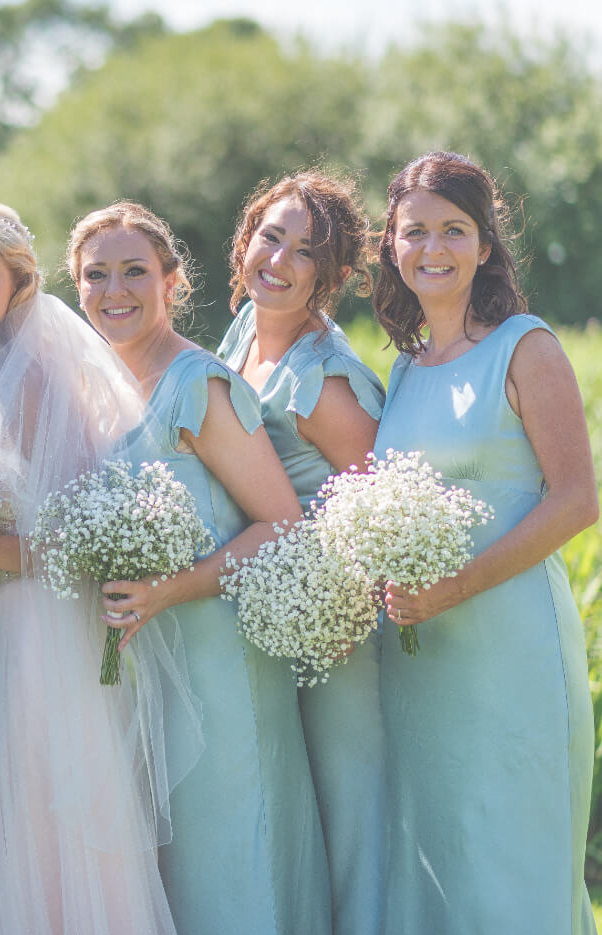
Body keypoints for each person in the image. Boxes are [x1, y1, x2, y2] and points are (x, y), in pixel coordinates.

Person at [0, 204, 200, 935]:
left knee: (46, 830)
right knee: (15, 824)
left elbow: (67, 544)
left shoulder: (30, 379)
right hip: (7, 623)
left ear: (19, 283)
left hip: (41, 631)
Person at [71, 201, 330, 935]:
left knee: (233, 861)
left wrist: (168, 589)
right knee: (164, 877)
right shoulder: (94, 389)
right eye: (96, 275)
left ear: (172, 282)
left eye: (134, 272)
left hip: (219, 663)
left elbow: (283, 522)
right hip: (141, 667)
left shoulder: (200, 384)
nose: (114, 290)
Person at [371, 151, 597, 935]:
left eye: (453, 230)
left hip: (511, 648)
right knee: (440, 855)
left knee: (512, 859)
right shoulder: (404, 369)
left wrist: (456, 588)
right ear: (391, 246)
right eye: (415, 231)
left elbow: (577, 500)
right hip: (423, 658)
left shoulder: (524, 346)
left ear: (486, 245)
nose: (432, 247)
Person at [215, 171, 386, 935]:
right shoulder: (243, 331)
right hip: (265, 613)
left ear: (335, 276)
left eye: (304, 250)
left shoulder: (324, 381)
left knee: (350, 809)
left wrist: (339, 604)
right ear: (247, 238)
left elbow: (378, 511)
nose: (278, 260)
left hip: (334, 627)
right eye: (270, 235)